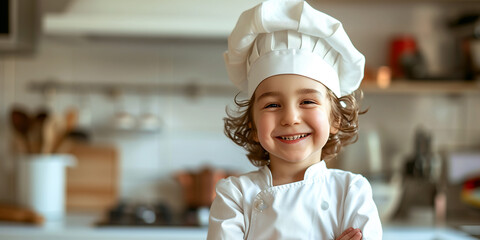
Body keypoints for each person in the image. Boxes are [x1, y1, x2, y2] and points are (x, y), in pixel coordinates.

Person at [207, 0, 382, 239]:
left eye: (307, 101)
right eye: (272, 105)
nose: (290, 117)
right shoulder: (235, 196)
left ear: (335, 119)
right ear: (253, 124)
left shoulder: (351, 192)